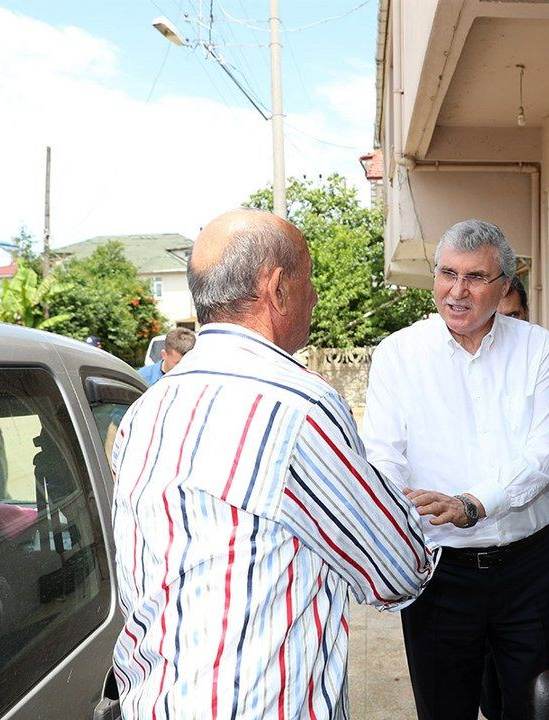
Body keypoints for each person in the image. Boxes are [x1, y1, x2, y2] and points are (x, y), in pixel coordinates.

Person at [109, 209, 437, 720]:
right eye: (310, 280)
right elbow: (398, 570)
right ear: (278, 287)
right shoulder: (297, 405)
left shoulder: (145, 410)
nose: (315, 297)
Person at [363, 219, 549, 720]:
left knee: (535, 707)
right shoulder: (398, 354)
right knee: (444, 708)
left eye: (475, 277)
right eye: (447, 274)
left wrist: (471, 504)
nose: (457, 291)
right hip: (440, 573)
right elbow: (383, 458)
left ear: (504, 284)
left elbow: (543, 455)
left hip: (529, 569)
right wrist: (396, 517)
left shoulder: (537, 347)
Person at [479, 275, 549, 720]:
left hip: (548, 531)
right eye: (497, 316)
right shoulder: (471, 372)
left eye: (515, 314)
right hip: (491, 538)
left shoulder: (541, 361)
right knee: (492, 653)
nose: (507, 325)